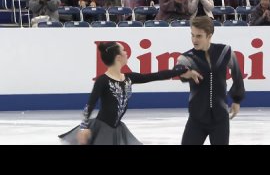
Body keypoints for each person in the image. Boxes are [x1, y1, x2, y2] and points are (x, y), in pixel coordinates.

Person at [58, 41, 202, 145]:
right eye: (124, 50)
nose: (127, 52)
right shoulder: (102, 80)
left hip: (118, 129)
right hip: (102, 128)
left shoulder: (129, 78)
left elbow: (156, 75)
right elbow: (90, 104)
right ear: (118, 58)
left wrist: (182, 70)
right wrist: (83, 127)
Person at [176, 16, 245, 145]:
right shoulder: (186, 58)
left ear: (209, 35)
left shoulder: (225, 51)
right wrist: (186, 73)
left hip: (220, 119)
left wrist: (236, 100)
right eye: (192, 35)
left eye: (199, 36)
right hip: (196, 119)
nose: (194, 40)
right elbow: (179, 71)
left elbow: (237, 74)